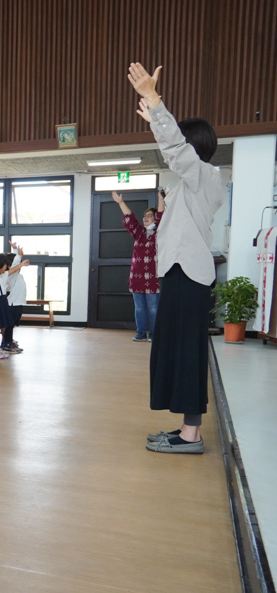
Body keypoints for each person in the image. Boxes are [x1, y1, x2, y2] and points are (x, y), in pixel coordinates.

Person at [127, 63, 223, 454]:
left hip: (188, 277)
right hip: (181, 276)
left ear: (192, 144)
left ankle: (191, 436)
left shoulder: (203, 174)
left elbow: (175, 150)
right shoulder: (192, 182)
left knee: (185, 352)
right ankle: (186, 429)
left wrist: (155, 102)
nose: (177, 145)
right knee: (175, 349)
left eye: (184, 140)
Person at [113, 190, 165, 341]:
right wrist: (121, 203)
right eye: (145, 216)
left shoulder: (160, 232)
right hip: (137, 277)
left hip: (153, 278)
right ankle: (141, 333)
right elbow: (130, 219)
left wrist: (161, 200)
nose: (146, 218)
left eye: (150, 216)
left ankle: (154, 334)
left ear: (155, 218)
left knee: (154, 307)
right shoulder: (139, 233)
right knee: (140, 307)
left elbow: (162, 218)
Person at [1, 245, 30, 354]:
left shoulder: (18, 275)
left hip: (18, 303)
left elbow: (13, 264)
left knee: (12, 325)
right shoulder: (10, 276)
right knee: (9, 325)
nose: (20, 266)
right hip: (12, 304)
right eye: (18, 264)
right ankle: (7, 344)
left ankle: (9, 341)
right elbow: (13, 264)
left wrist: (15, 252)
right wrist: (18, 255)